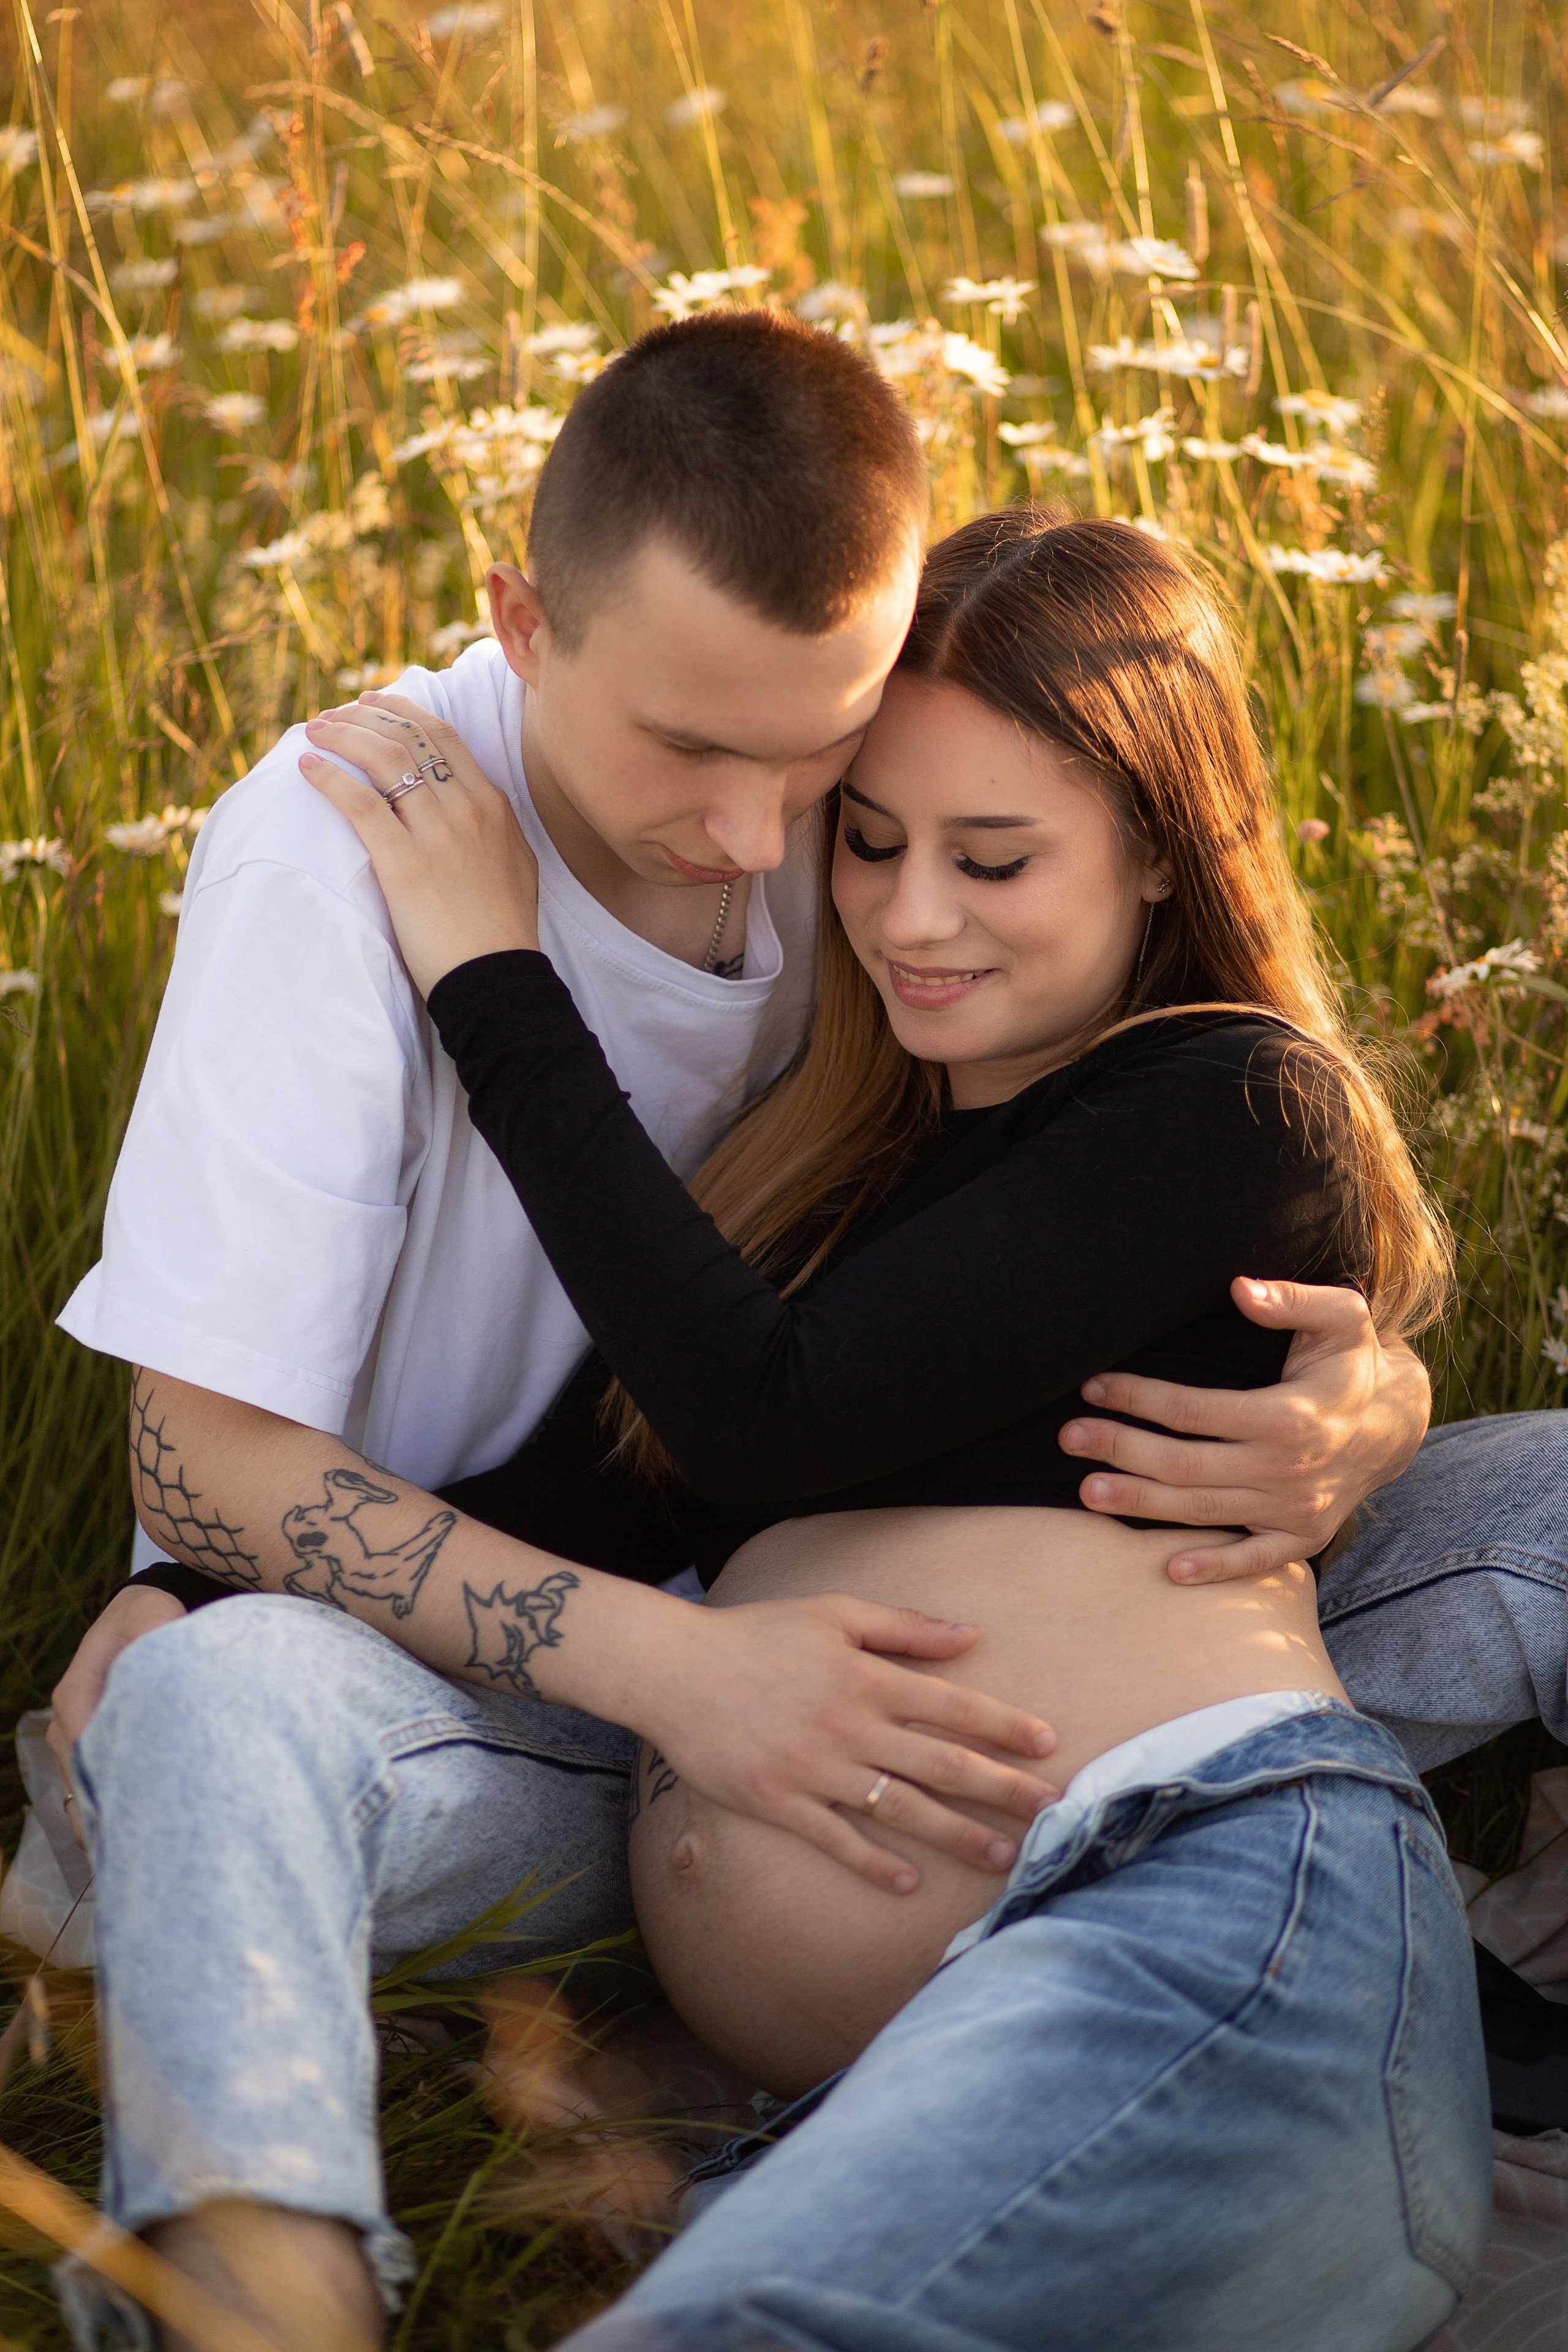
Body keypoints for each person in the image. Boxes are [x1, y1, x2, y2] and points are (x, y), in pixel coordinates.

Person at [42, 310, 1526, 2352]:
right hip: (738, 1872)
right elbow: (618, 1457)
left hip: (1168, 1873)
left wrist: (1381, 1389)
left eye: (974, 850)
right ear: (527, 626)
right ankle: (249, 2287)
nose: (867, 897)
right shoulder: (817, 1141)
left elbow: (769, 1406)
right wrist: (200, 1589)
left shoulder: (1196, 1081)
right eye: (875, 839)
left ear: (1158, 847)